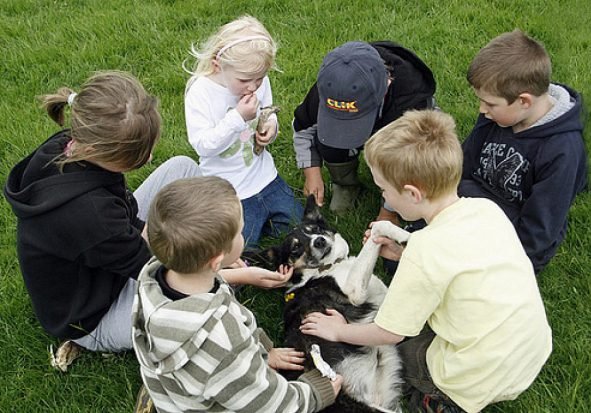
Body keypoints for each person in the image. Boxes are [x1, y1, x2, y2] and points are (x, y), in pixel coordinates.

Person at [3, 71, 288, 359]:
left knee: (182, 168)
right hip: (95, 314)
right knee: (201, 298)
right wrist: (237, 275)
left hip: (105, 259)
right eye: (139, 156)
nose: (150, 158)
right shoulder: (91, 215)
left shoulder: (73, 143)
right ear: (101, 151)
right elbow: (163, 274)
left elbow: (123, 217)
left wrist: (146, 230)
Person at [300, 110, 552, 413]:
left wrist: (339, 331)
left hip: (472, 377)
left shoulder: (424, 252)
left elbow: (389, 332)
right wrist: (404, 253)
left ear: (411, 193)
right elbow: (461, 258)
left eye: (384, 189)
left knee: (398, 348)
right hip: (528, 353)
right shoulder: (485, 209)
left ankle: (439, 402)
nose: (384, 196)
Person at [132, 176, 343, 412]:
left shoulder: (152, 281)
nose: (244, 236)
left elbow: (223, 300)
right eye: (241, 232)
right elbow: (268, 404)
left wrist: (265, 349)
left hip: (181, 392)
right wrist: (314, 393)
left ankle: (166, 394)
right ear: (218, 260)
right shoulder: (223, 345)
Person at [459, 29, 588, 274]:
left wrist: (513, 270)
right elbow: (465, 162)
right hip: (473, 202)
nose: (482, 109)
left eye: (489, 103)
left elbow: (539, 230)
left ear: (524, 101)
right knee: (403, 260)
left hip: (514, 227)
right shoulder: (497, 116)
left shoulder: (562, 151)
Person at [184, 15, 303, 249]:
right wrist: (237, 118)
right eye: (245, 80)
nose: (253, 87)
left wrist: (271, 126)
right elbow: (203, 145)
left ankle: (266, 222)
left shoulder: (256, 79)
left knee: (302, 230)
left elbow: (268, 111)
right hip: (230, 190)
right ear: (218, 64)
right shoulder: (201, 92)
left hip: (266, 177)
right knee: (239, 250)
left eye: (259, 80)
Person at [293, 40, 436, 216]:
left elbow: (413, 159)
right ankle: (345, 184)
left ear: (387, 86)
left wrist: (389, 212)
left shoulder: (412, 102)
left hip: (396, 134)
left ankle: (392, 195)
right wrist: (311, 172)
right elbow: (303, 127)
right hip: (378, 126)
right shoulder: (332, 86)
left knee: (405, 162)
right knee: (327, 141)